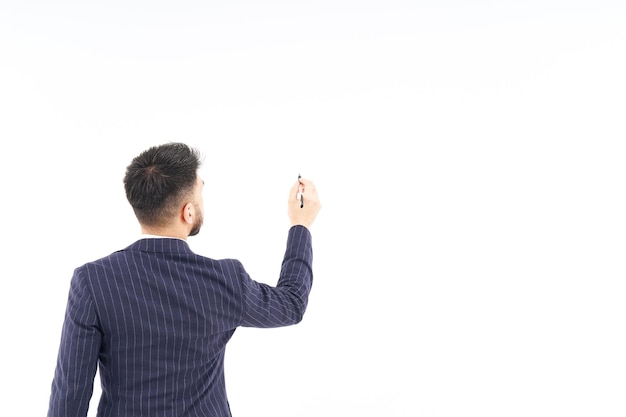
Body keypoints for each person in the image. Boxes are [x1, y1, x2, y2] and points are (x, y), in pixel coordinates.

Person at [47, 142, 321, 417]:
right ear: (187, 212)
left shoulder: (93, 281)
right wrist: (300, 224)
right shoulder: (224, 280)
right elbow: (291, 303)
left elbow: (70, 394)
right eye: (201, 192)